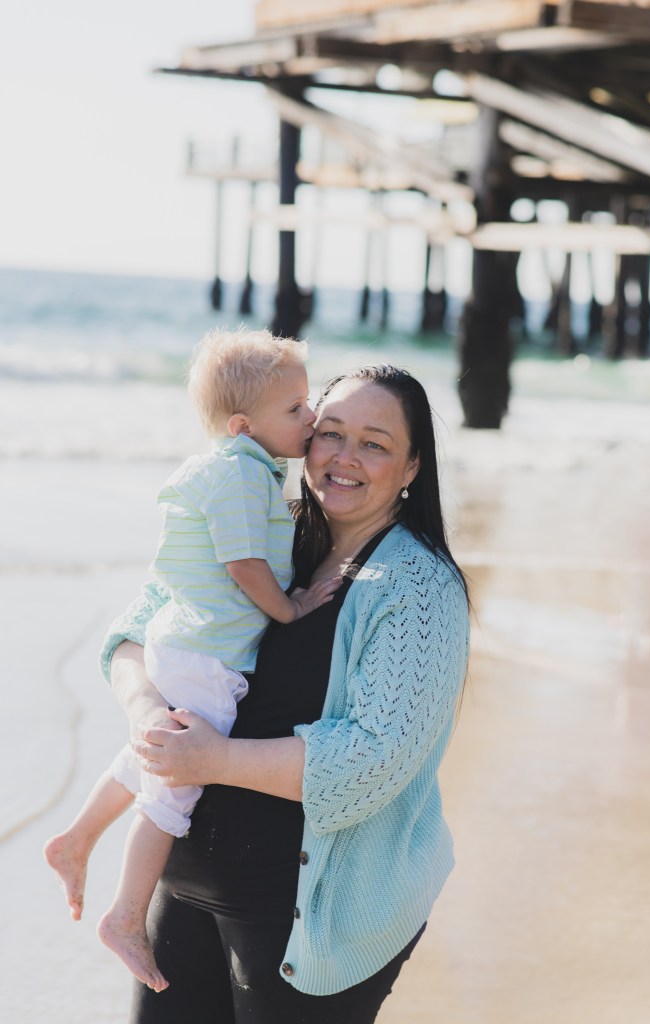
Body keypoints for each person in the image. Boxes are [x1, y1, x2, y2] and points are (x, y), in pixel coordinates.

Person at [99, 364, 471, 1023]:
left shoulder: (416, 586)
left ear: (413, 467)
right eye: (331, 433)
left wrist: (210, 760)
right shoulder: (267, 528)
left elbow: (376, 757)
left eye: (374, 443)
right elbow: (139, 625)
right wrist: (146, 710)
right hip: (182, 893)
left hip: (310, 919)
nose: (343, 458)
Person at [44, 328, 339, 993]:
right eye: (294, 409)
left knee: (145, 757)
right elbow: (242, 562)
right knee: (172, 792)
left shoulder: (239, 466)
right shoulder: (238, 470)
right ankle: (124, 915)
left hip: (188, 645)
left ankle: (77, 840)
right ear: (243, 424)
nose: (311, 417)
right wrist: (289, 608)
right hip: (206, 654)